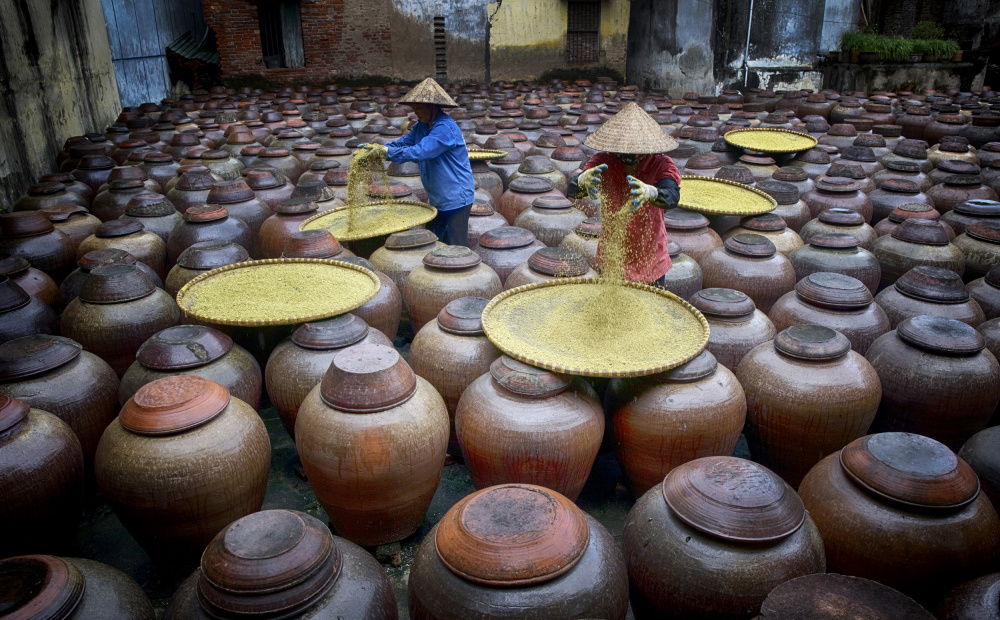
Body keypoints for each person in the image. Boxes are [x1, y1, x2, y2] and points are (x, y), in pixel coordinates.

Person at [567, 102, 681, 286]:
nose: (628, 155)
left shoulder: (661, 164)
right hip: (612, 255)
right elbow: (573, 190)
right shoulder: (603, 161)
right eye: (623, 150)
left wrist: (652, 192)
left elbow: (672, 196)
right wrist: (580, 182)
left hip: (650, 258)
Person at [356, 78, 476, 246]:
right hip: (437, 198)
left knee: (454, 246)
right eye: (414, 108)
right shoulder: (422, 126)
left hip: (455, 198)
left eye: (419, 108)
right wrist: (379, 148)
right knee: (436, 243)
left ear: (432, 107)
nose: (416, 112)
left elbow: (421, 151)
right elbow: (404, 143)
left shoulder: (445, 129)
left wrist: (387, 152)